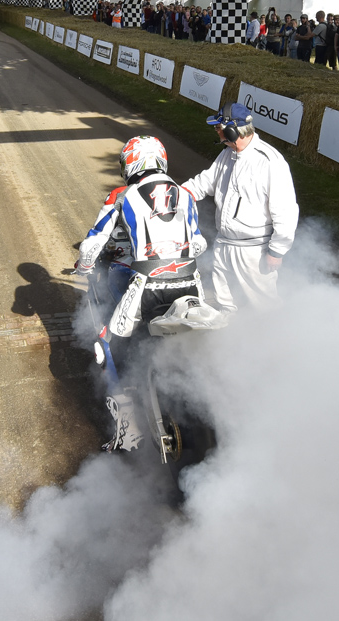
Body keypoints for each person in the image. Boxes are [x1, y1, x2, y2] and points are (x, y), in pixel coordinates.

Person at [76, 137, 208, 452]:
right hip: (190, 284)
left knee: (106, 340)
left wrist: (84, 265)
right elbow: (200, 244)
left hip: (145, 287)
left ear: (132, 164)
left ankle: (126, 429)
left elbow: (91, 246)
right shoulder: (186, 194)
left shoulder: (122, 195)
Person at [182, 103, 299, 316]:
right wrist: (178, 194)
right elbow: (204, 182)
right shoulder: (227, 154)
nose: (216, 131)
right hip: (224, 243)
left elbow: (285, 210)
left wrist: (277, 250)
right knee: (225, 303)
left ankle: (278, 343)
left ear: (233, 130)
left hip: (254, 250)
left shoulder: (270, 161)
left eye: (219, 127)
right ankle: (232, 344)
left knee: (264, 306)